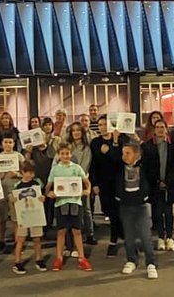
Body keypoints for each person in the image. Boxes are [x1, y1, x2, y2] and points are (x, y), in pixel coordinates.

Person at [46, 143, 93, 272]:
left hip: (75, 203)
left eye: (67, 153)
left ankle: (82, 258)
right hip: (61, 203)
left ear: (71, 154)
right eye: (62, 153)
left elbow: (86, 182)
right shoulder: (55, 169)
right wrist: (49, 193)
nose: (65, 156)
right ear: (58, 155)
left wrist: (87, 190)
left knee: (77, 231)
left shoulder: (77, 168)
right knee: (61, 231)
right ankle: (59, 258)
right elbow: (48, 186)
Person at [90, 114, 130, 256]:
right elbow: (93, 164)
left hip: (120, 181)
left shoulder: (121, 140)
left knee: (119, 211)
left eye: (104, 124)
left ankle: (115, 239)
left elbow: (119, 159)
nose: (102, 127)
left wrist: (114, 142)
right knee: (109, 210)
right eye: (100, 125)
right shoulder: (95, 142)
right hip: (103, 182)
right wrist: (94, 183)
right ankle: (121, 235)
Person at [117, 144, 158, 279]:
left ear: (136, 155)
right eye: (123, 153)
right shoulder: (119, 168)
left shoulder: (143, 167)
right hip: (126, 206)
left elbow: (149, 182)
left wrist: (145, 197)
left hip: (141, 206)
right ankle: (131, 260)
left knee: (145, 236)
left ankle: (151, 263)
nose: (124, 156)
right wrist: (119, 197)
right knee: (129, 237)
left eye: (128, 153)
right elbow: (116, 184)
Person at [142, 120, 174, 251]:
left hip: (170, 185)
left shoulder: (173, 146)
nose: (159, 129)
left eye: (162, 127)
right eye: (157, 127)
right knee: (157, 212)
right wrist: (157, 181)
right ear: (154, 130)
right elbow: (145, 168)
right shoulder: (147, 147)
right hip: (154, 185)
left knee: (168, 212)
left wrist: (168, 181)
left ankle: (169, 237)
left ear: (166, 129)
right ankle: (160, 237)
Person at [10, 161, 48, 275]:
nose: (30, 175)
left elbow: (42, 195)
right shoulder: (17, 185)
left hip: (36, 214)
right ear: (22, 172)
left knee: (37, 239)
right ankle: (17, 262)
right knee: (20, 239)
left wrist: (43, 198)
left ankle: (39, 259)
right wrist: (13, 199)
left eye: (32, 172)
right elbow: (12, 198)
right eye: (28, 172)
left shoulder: (37, 183)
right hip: (23, 216)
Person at [63, 122, 96, 251]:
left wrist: (76, 177)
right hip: (67, 182)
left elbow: (85, 166)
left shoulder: (86, 148)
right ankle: (73, 235)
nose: (76, 133)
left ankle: (90, 233)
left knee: (86, 208)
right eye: (74, 130)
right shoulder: (67, 146)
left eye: (78, 130)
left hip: (81, 180)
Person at [0, 136, 27, 251]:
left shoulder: (19, 156)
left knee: (16, 218)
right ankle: (1, 240)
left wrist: (17, 174)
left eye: (10, 142)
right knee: (1, 217)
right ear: (2, 143)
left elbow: (26, 173)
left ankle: (17, 241)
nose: (8, 144)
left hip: (15, 190)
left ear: (14, 143)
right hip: (2, 190)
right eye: (5, 142)